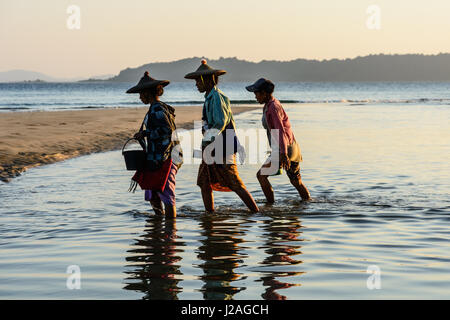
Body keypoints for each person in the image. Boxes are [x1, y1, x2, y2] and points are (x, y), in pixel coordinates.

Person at [184, 59, 259, 213]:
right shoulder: (209, 97)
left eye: (198, 81)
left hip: (223, 146)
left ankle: (255, 212)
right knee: (204, 182)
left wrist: (208, 140)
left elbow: (219, 123)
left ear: (208, 80)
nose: (196, 84)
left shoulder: (217, 97)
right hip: (213, 146)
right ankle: (209, 214)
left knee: (234, 183)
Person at [126, 71, 183, 218]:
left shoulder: (157, 109)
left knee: (166, 195)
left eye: (141, 94)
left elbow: (167, 131)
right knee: (153, 192)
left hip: (166, 157)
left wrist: (145, 134)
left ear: (147, 93)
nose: (139, 97)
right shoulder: (157, 107)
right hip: (158, 157)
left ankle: (170, 230)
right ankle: (159, 223)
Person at [246, 78, 311, 203]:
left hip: (284, 149)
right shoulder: (271, 104)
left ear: (264, 93)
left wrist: (283, 153)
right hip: (292, 147)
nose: (255, 96)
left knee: (261, 176)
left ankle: (270, 207)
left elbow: (279, 130)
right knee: (296, 181)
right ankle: (308, 203)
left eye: (256, 93)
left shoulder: (272, 108)